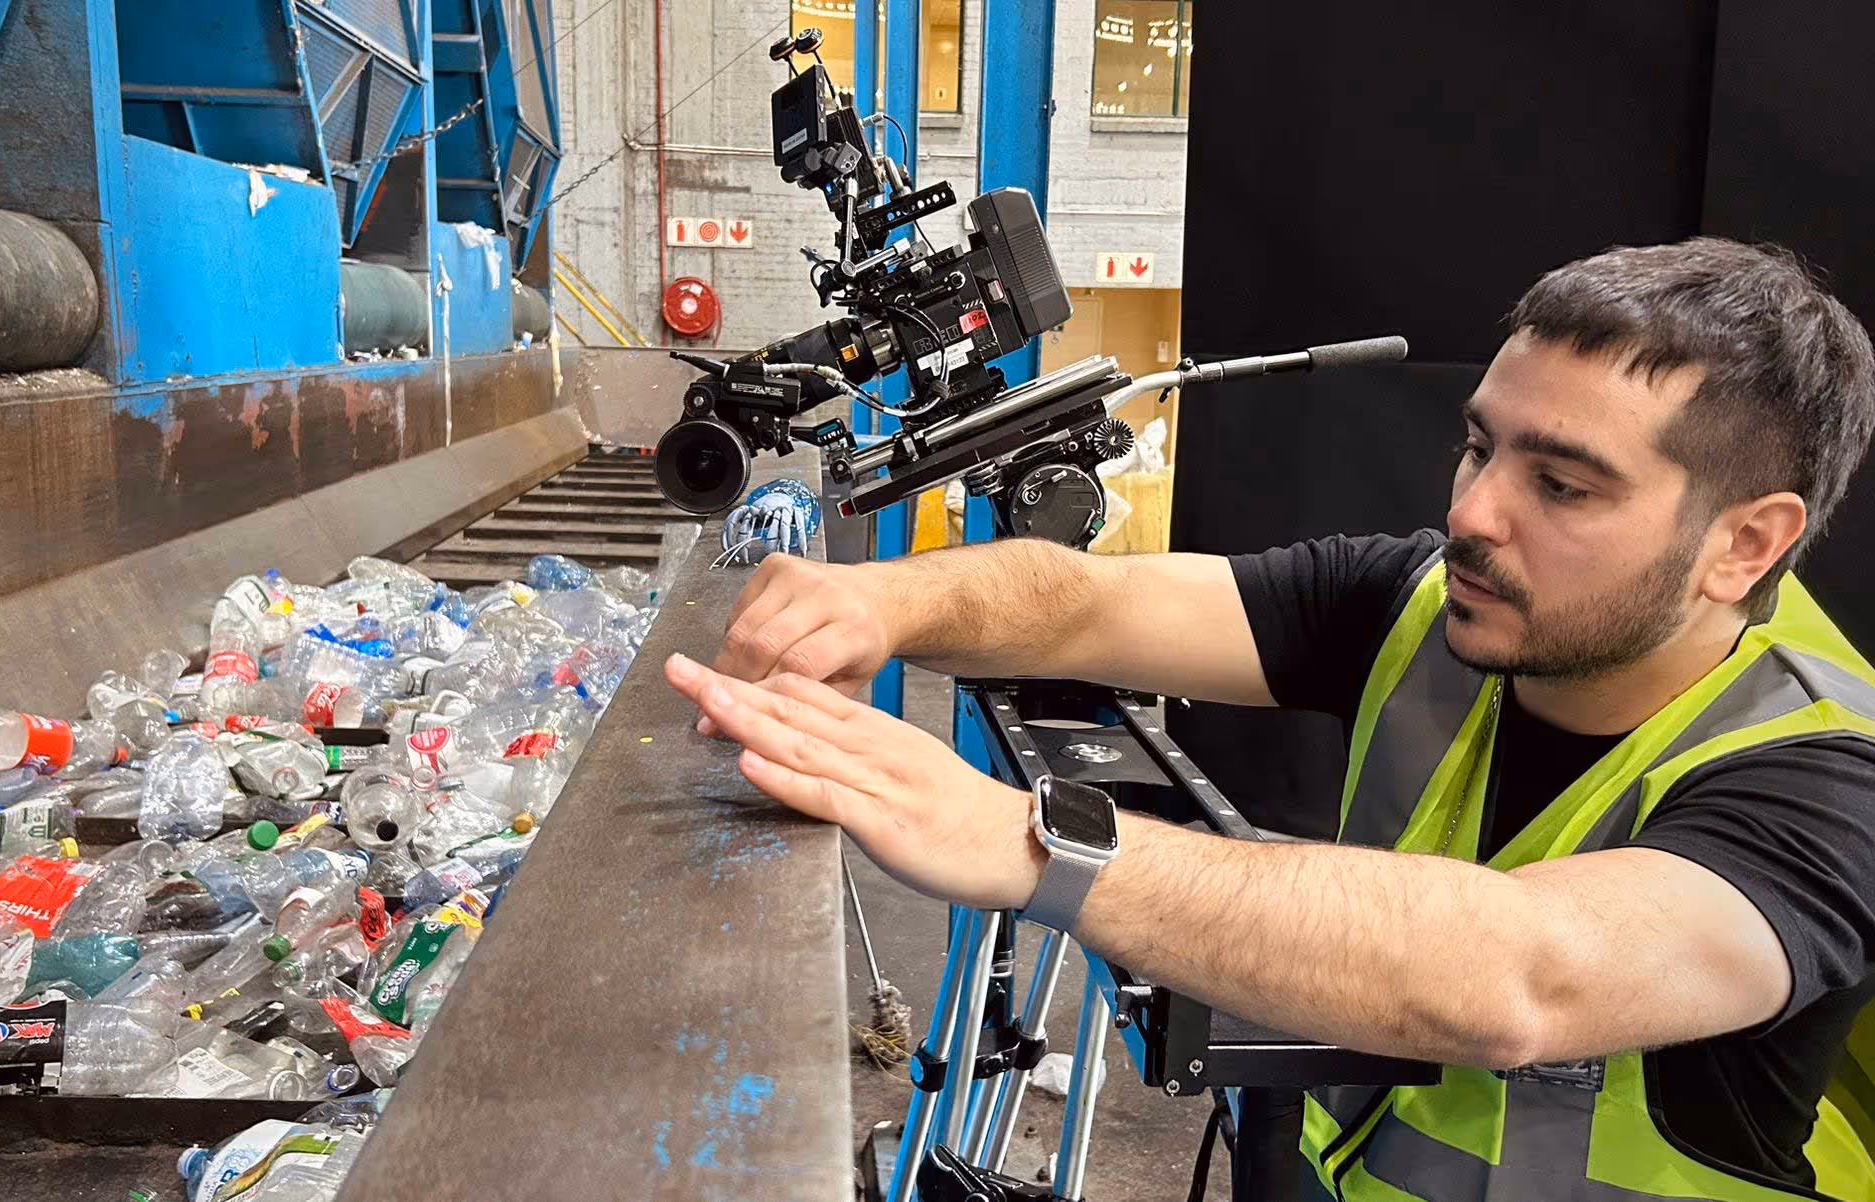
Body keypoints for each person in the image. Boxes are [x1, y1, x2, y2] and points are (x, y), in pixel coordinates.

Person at [663, 238, 1875, 1197]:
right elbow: (1092, 602)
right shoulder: (1425, 598)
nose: (1472, 513)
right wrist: (881, 599)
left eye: (1558, 484)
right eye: (1477, 449)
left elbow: (1519, 973)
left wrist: (1022, 840)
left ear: (1743, 543)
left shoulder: (1826, 776)